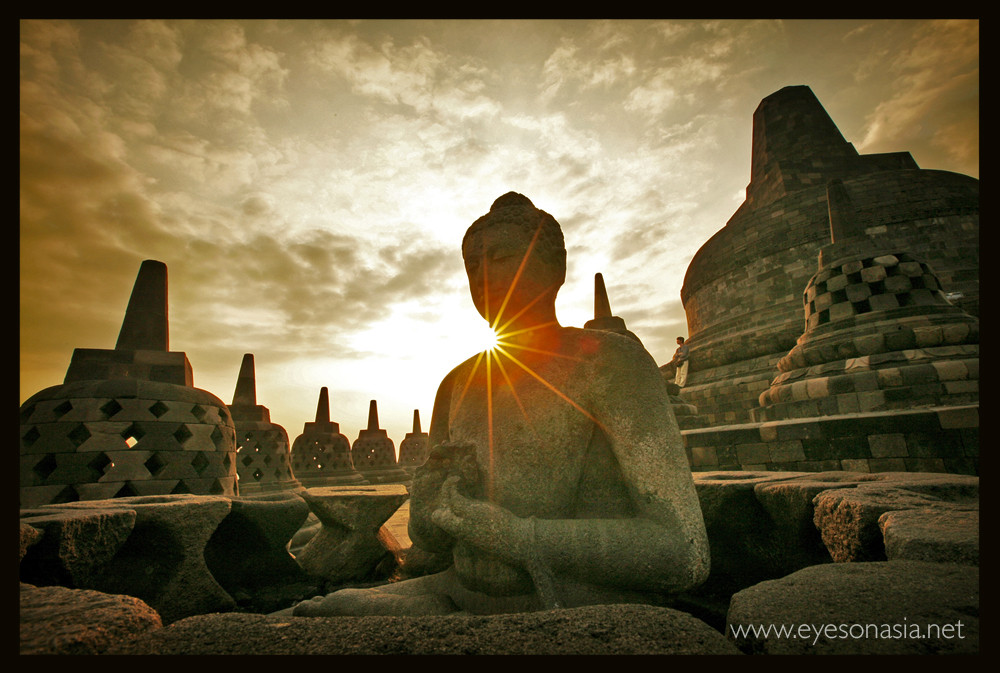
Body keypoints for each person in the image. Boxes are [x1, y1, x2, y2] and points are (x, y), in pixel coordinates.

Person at [292, 193, 709, 616]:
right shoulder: (456, 384)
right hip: (458, 590)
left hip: (576, 600)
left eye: (502, 256)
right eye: (473, 265)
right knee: (319, 613)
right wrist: (430, 508)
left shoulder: (608, 363)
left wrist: (516, 537)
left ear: (555, 269)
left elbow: (683, 552)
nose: (484, 275)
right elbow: (431, 550)